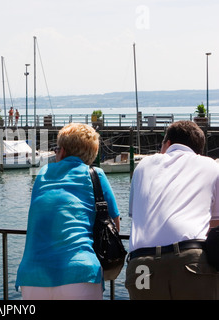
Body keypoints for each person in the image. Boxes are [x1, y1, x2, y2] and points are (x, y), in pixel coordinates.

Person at [15, 123, 120, 300]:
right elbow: (114, 224)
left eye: (56, 149)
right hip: (80, 272)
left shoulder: (43, 174)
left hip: (33, 275)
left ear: (62, 151)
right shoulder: (95, 175)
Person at [126, 120, 219, 300]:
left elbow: (136, 215)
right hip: (189, 262)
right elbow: (215, 224)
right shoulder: (211, 166)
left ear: (167, 144)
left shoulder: (143, 166)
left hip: (141, 266)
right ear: (198, 150)